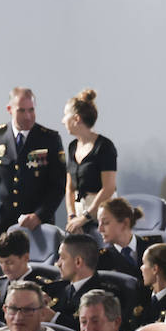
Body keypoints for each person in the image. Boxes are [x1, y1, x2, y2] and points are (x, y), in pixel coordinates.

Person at [0, 86, 65, 241]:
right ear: (10, 109)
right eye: (22, 111)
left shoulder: (49, 139)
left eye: (31, 110)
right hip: (3, 223)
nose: (28, 116)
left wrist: (40, 215)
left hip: (38, 225)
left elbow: (58, 185)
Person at [63, 88, 116, 235]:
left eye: (65, 115)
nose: (62, 121)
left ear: (77, 119)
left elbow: (108, 188)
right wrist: (72, 217)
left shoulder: (104, 146)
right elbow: (70, 188)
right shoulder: (72, 147)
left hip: (101, 216)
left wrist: (85, 217)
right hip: (78, 216)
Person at [46, 232, 123, 328]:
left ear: (78, 262)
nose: (58, 263)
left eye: (62, 257)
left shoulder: (104, 296)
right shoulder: (57, 288)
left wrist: (54, 318)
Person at [95, 196, 160, 278]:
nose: (99, 229)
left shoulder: (152, 247)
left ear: (125, 223)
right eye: (99, 223)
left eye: (105, 222)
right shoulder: (101, 259)